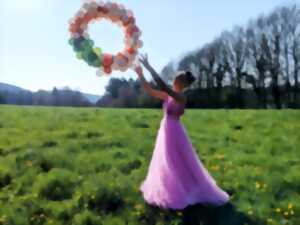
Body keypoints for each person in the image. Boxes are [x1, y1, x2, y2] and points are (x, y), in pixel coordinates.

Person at [134, 54, 230, 210]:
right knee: (168, 161)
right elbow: (150, 90)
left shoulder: (180, 97)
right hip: (166, 131)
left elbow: (162, 86)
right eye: (174, 79)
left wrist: (149, 67)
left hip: (175, 132)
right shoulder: (168, 96)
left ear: (181, 83)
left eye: (176, 79)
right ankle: (171, 187)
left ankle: (185, 189)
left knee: (177, 161)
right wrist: (140, 75)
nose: (173, 81)